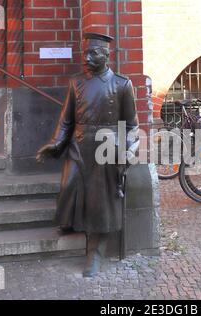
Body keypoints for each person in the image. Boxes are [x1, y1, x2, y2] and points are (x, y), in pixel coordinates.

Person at [36, 32, 139, 277]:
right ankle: (70, 222)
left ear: (106, 56)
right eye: (85, 52)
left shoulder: (121, 85)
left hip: (106, 147)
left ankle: (95, 253)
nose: (87, 57)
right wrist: (56, 143)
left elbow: (132, 125)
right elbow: (66, 119)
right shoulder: (76, 82)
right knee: (69, 185)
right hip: (78, 144)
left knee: (99, 203)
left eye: (93, 53)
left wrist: (127, 150)